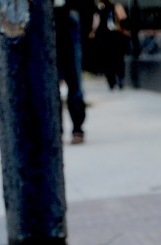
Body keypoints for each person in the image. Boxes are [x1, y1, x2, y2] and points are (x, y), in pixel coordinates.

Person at [54, 0, 98, 144]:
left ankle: (77, 127)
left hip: (69, 21)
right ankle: (55, 129)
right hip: (47, 21)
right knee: (50, 84)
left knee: (74, 80)